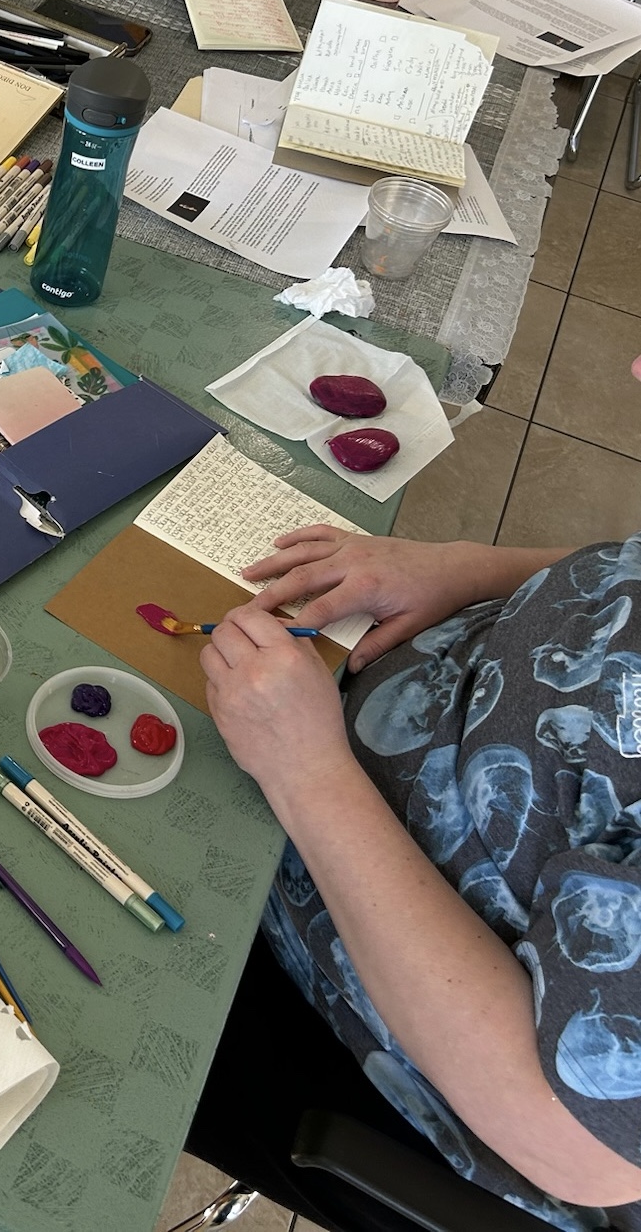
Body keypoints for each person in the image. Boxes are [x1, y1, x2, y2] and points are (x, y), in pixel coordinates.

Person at [188, 526, 641, 1231]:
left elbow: (581, 1143)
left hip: (363, 1006)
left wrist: (305, 772)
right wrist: (474, 569)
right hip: (315, 727)